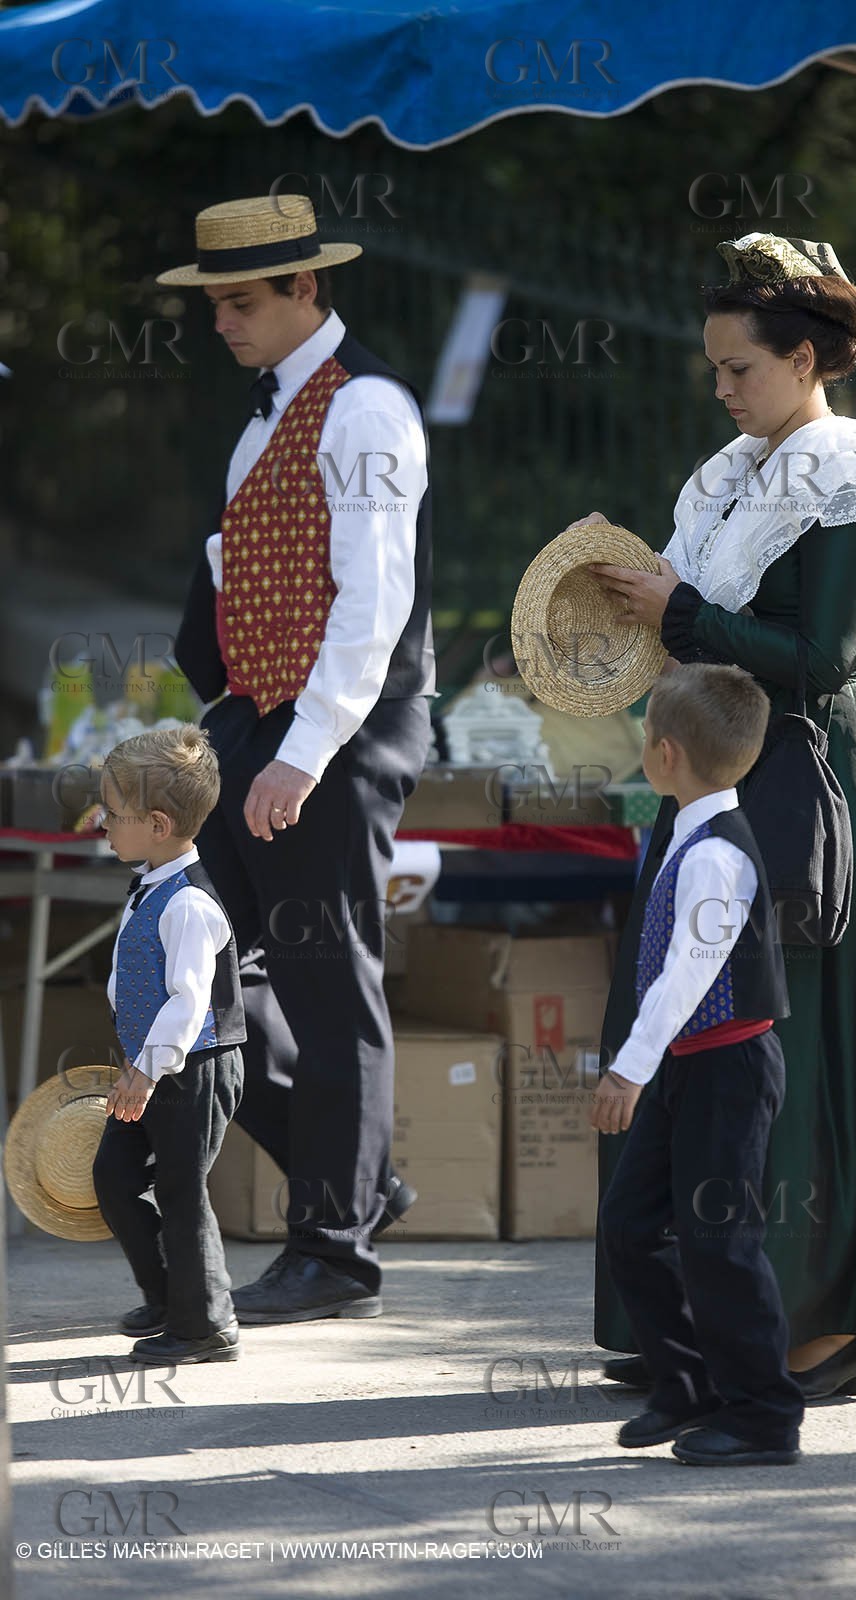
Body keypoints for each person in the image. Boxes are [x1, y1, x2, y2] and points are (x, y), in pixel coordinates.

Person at [585, 231, 856, 1398]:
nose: (719, 388)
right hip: (719, 768)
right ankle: (687, 1320)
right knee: (692, 1027)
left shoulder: (850, 476)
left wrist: (685, 613)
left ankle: (820, 1325)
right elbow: (696, 617)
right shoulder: (727, 475)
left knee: (793, 1040)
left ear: (805, 359)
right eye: (713, 368)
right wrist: (633, 612)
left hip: (819, 784)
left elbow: (826, 658)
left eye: (738, 369)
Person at [161, 194, 435, 1323]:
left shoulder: (365, 408)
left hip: (335, 727)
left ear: (304, 290)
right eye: (214, 301)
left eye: (241, 302)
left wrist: (306, 749)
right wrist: (229, 727)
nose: (222, 321)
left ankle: (335, 1247)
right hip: (251, 723)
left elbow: (373, 604)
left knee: (329, 990)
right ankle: (364, 1180)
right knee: (198, 968)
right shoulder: (261, 418)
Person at [592, 663, 804, 1466]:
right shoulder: (690, 829)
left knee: (721, 1242)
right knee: (631, 1224)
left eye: (646, 733)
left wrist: (628, 1070)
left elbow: (691, 969)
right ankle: (686, 1385)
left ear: (665, 753)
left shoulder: (718, 856)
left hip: (727, 1069)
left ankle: (762, 1416)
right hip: (689, 1065)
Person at [93, 725, 246, 1365]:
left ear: (157, 824)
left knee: (182, 1192)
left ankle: (205, 1324)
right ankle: (168, 1295)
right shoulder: (150, 883)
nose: (102, 821)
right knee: (115, 1176)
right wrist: (133, 1057)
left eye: (113, 813)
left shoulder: (189, 904)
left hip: (195, 1069)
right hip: (152, 1066)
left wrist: (150, 1070)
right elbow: (130, 983)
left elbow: (187, 1001)